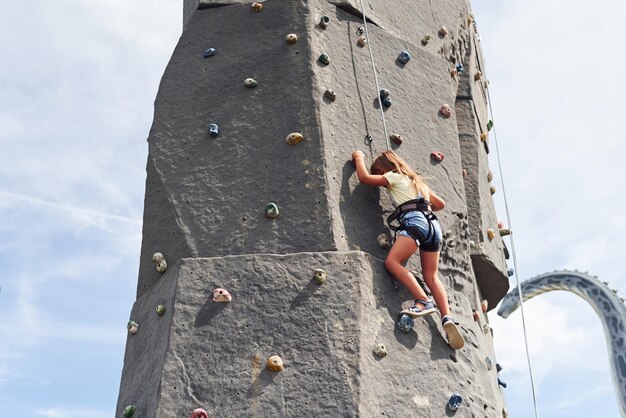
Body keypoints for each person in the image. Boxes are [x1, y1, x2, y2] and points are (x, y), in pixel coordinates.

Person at [351, 149, 464, 350]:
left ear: (384, 169)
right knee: (432, 277)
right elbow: (440, 204)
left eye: (380, 172)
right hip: (433, 226)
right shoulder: (417, 183)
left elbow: (365, 178)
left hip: (415, 223)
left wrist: (358, 157)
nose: (381, 178)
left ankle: (423, 300)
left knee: (392, 262)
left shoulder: (393, 177)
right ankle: (447, 317)